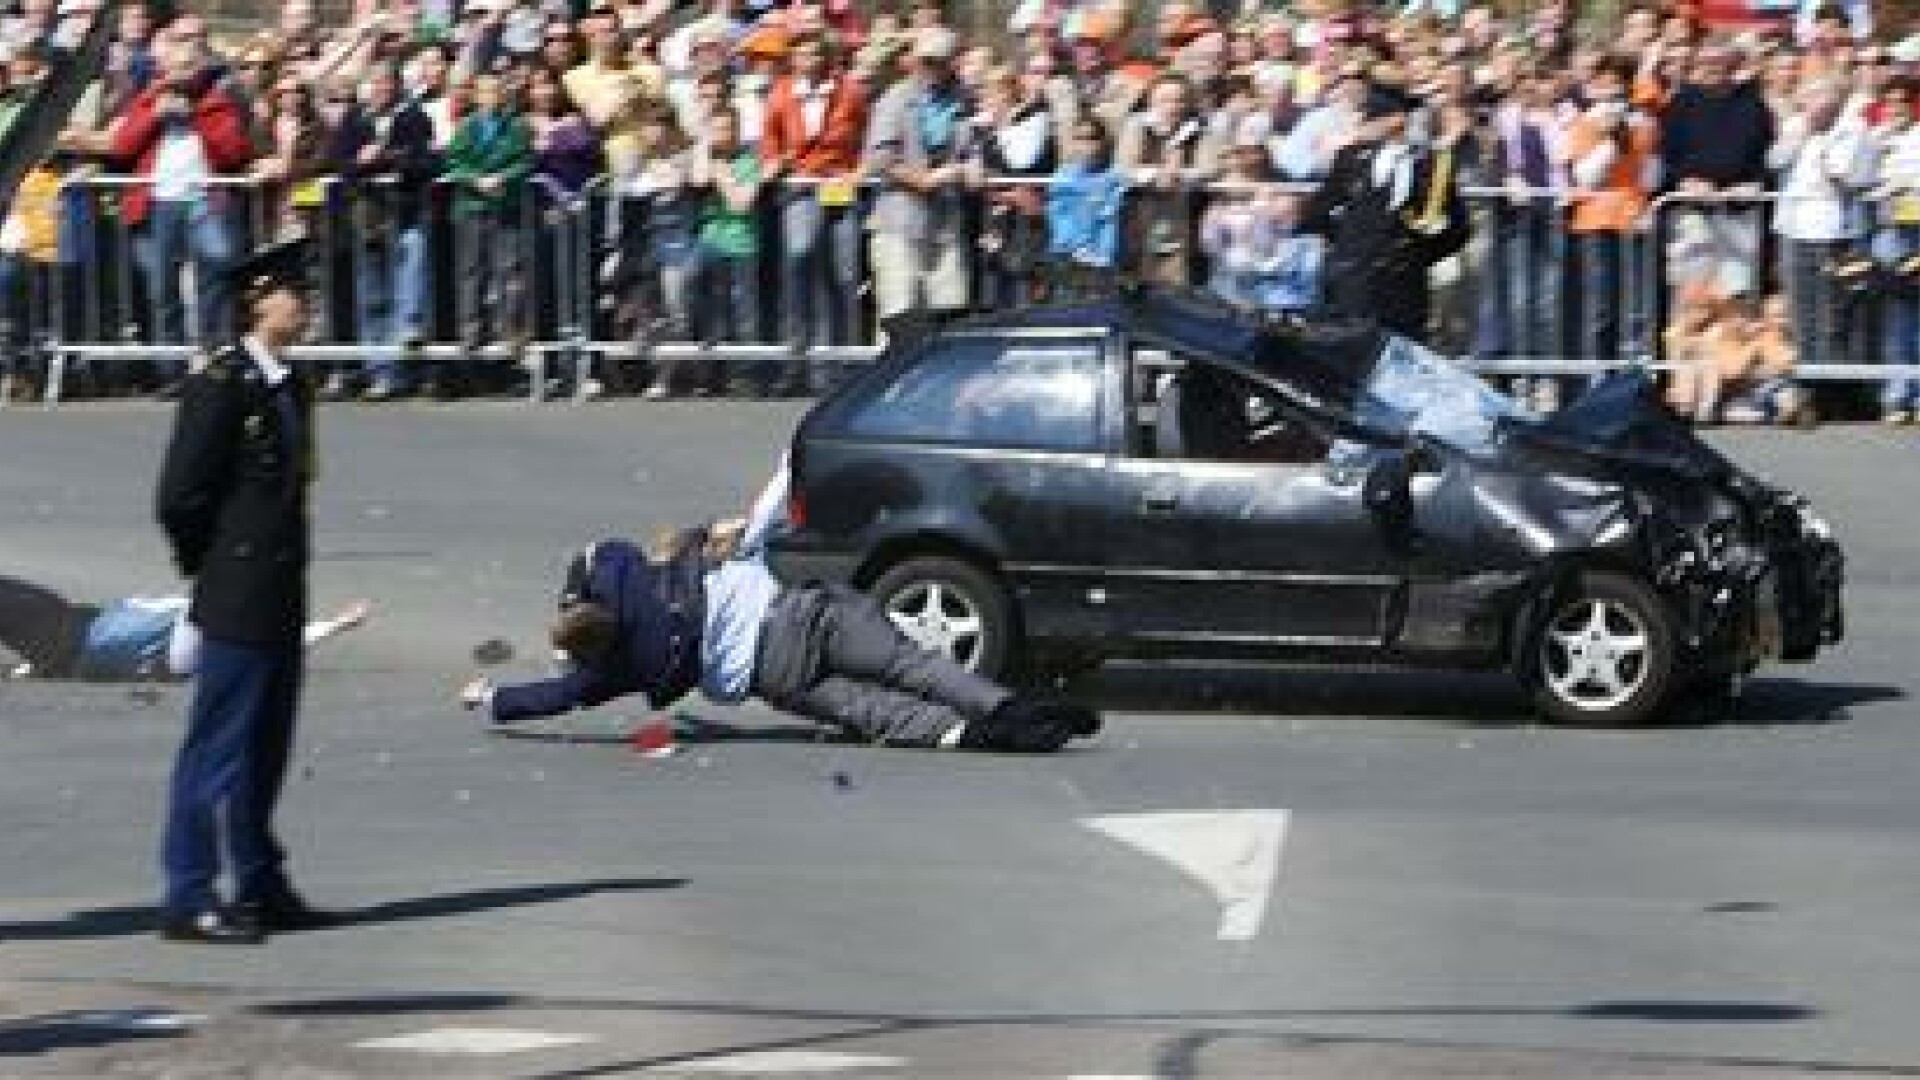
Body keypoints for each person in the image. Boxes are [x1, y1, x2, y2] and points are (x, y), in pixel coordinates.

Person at [461, 465, 1101, 752]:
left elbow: (558, 695)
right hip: (800, 617)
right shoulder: (657, 574)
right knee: (912, 665)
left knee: (877, 712)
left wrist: (493, 699)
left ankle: (974, 735)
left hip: (774, 678)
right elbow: (632, 549)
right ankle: (1009, 707)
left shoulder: (612, 670)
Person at [152, 238, 331, 945]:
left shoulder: (291, 387)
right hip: (236, 587)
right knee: (216, 748)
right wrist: (214, 566)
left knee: (266, 745)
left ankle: (259, 880)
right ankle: (188, 890)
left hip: (280, 587)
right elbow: (179, 496)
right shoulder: (221, 386)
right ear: (258, 300)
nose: (304, 304)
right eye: (294, 293)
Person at [1300, 83, 1470, 342]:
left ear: (1395, 120)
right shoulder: (1350, 158)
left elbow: (1457, 229)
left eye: (1368, 117)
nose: (1361, 124)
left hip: (1404, 288)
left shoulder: (1433, 165)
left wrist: (1416, 256)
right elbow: (1317, 214)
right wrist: (1351, 247)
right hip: (1354, 286)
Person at [0, 574, 369, 682]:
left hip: (71, 638)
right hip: (80, 625)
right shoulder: (209, 628)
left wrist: (336, 626)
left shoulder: (193, 647)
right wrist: (336, 625)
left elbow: (280, 641)